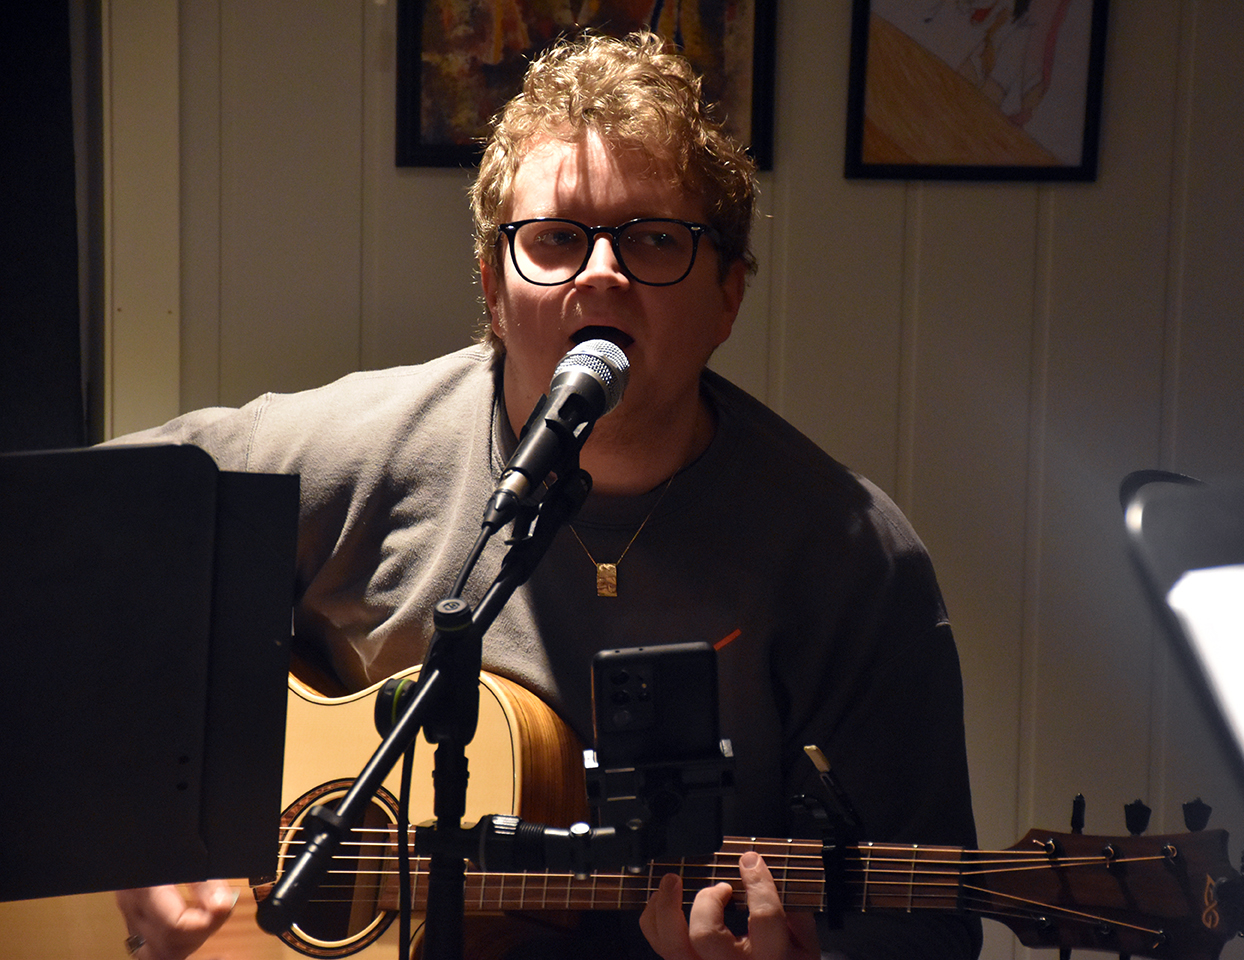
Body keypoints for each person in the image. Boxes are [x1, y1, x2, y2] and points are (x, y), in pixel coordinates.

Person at [113, 31, 981, 960]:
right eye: (559, 238)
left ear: (728, 295)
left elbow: (926, 928)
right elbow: (57, 544)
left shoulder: (850, 557)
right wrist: (130, 813)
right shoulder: (348, 453)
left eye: (655, 239)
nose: (601, 271)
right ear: (493, 288)